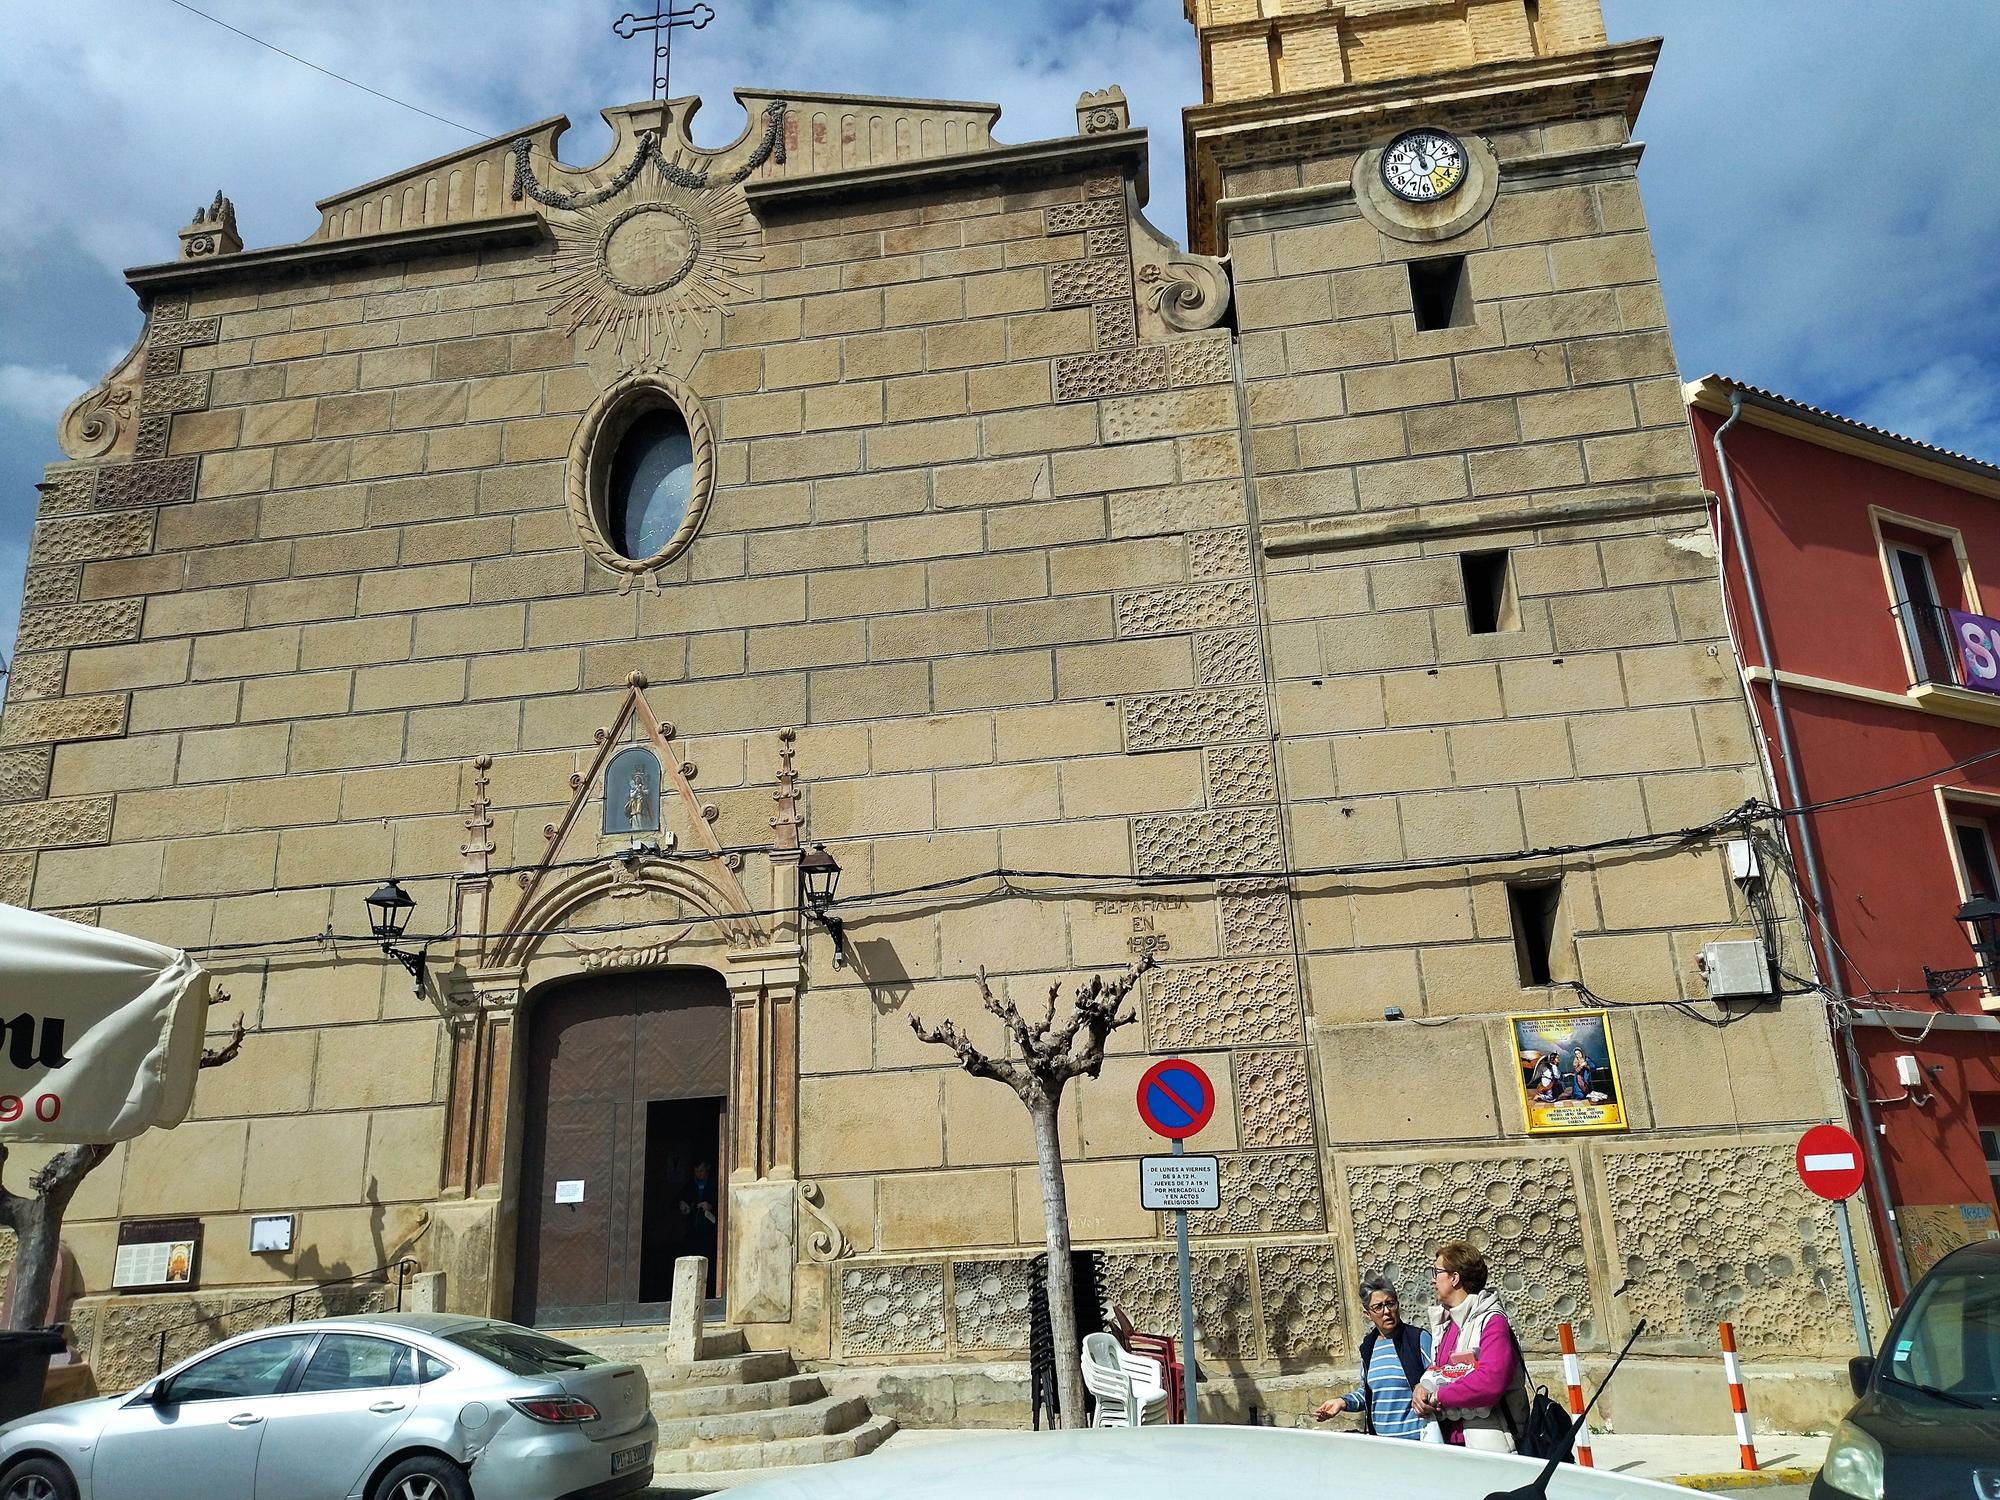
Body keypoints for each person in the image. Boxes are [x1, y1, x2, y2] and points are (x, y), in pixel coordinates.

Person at [1410, 1240, 1528, 1453]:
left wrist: (1439, 1397)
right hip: (1449, 1445)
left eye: (1436, 1272)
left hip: (1489, 1446)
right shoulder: (1447, 1324)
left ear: (1454, 1278)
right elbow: (1441, 1370)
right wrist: (1423, 1387)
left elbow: (1491, 1382)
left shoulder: (1492, 1321)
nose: (1432, 1280)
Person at [1315, 1274, 1431, 1438]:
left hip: (1418, 1440)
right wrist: (1341, 1402)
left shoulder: (1417, 1339)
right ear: (1368, 1314)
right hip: (1381, 1445)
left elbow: (1437, 1378)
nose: (1386, 1312)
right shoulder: (1368, 1347)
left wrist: (1424, 1387)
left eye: (1390, 1304)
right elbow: (1367, 1393)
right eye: (1378, 1307)